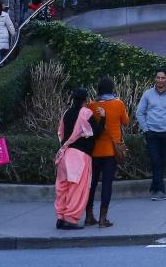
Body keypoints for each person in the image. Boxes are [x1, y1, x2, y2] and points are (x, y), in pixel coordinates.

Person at [55, 88, 104, 230]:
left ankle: (60, 218)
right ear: (85, 100)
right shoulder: (86, 113)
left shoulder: (66, 113)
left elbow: (61, 133)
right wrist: (103, 118)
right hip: (79, 156)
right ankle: (70, 219)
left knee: (62, 187)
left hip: (64, 154)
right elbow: (96, 132)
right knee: (77, 188)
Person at [86, 77, 130, 227]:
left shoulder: (91, 105)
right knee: (107, 184)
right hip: (111, 151)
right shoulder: (118, 103)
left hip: (94, 152)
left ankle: (89, 215)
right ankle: (103, 217)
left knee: (91, 184)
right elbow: (126, 121)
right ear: (112, 88)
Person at [136, 70, 166, 200]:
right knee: (155, 160)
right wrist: (145, 129)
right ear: (155, 79)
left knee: (161, 161)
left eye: (163, 78)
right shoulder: (147, 94)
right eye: (158, 77)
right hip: (151, 133)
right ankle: (160, 191)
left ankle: (154, 187)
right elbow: (139, 112)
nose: (160, 80)